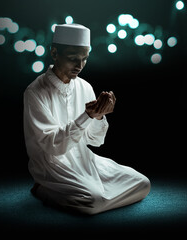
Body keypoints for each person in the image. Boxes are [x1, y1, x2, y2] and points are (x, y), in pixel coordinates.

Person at [23, 23, 150, 215]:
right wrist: (87, 116)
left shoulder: (84, 87)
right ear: (55, 53)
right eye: (73, 58)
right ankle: (44, 189)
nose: (80, 65)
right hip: (52, 166)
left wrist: (99, 116)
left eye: (84, 59)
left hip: (85, 160)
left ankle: (88, 195)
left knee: (142, 184)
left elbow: (95, 141)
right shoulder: (35, 92)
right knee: (93, 202)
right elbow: (52, 147)